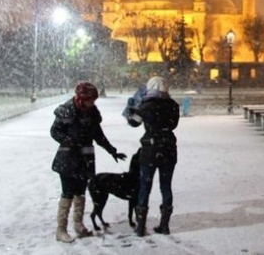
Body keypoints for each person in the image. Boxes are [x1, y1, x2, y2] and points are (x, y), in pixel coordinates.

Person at [50, 81, 127, 243]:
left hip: (85, 157)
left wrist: (112, 150)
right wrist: (68, 141)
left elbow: (98, 136)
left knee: (81, 192)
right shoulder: (67, 110)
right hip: (68, 158)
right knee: (68, 192)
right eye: (90, 100)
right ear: (82, 97)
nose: (93, 103)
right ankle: (61, 229)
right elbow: (54, 131)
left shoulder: (91, 112)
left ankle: (78, 225)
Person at [127, 76, 180, 237]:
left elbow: (134, 122)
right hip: (169, 149)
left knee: (145, 186)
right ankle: (164, 225)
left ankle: (141, 226)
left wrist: (132, 110)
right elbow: (173, 124)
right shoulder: (173, 106)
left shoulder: (145, 105)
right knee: (166, 186)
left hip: (150, 149)